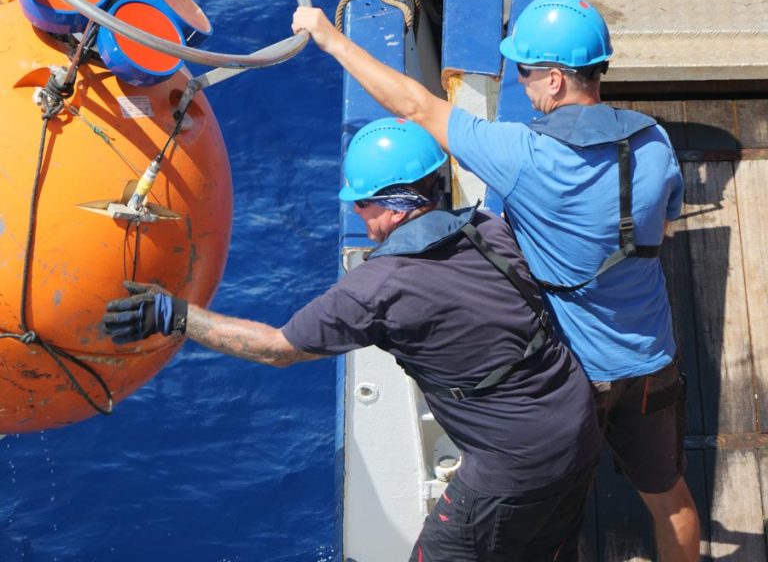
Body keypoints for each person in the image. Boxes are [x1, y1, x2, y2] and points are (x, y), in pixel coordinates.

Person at [290, 0, 701, 562]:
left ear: (555, 81)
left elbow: (414, 105)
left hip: (577, 378)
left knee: (559, 511)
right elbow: (666, 216)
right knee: (670, 499)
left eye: (527, 72)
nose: (523, 84)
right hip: (653, 359)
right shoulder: (652, 141)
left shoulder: (522, 155)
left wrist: (330, 38)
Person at [104, 116, 600, 562]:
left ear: (391, 207)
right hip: (576, 423)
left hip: (511, 464)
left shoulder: (376, 288)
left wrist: (176, 315)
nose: (360, 216)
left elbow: (278, 348)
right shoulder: (487, 230)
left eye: (362, 203)